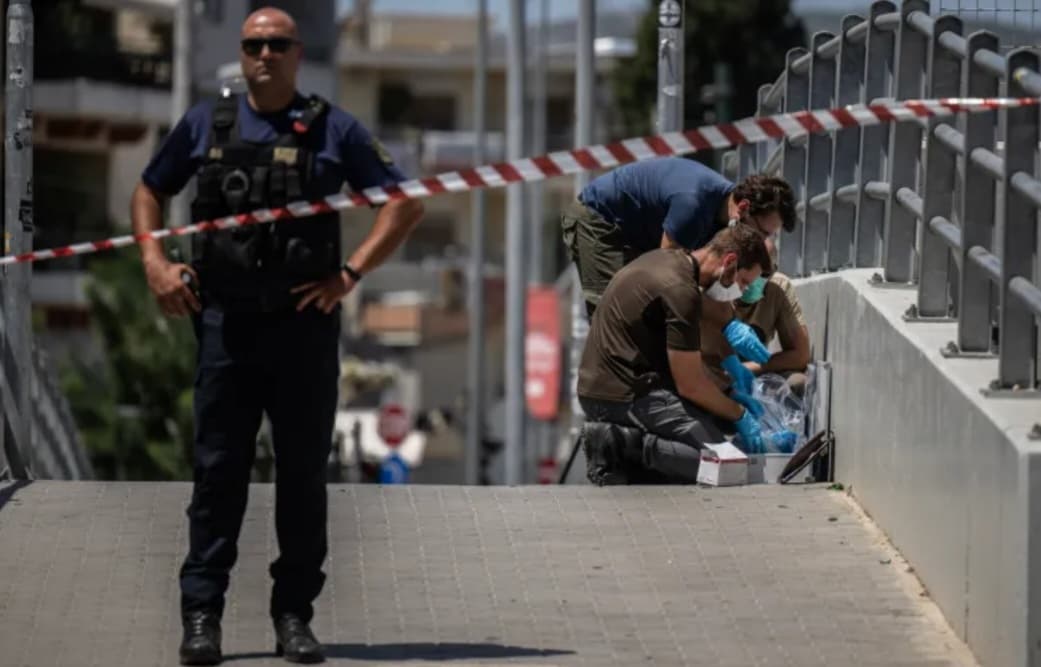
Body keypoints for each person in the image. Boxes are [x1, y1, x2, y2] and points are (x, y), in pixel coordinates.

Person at [130, 8, 423, 665]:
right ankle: (201, 616)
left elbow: (405, 202)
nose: (264, 54)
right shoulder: (209, 122)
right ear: (242, 52)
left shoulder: (332, 128)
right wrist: (155, 264)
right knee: (217, 477)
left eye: (277, 44)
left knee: (301, 481)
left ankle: (294, 616)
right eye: (253, 44)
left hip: (302, 331)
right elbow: (148, 191)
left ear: (297, 55)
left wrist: (349, 274)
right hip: (225, 325)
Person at [576, 224, 783, 484]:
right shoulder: (681, 292)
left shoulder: (667, 260)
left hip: (614, 384)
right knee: (727, 465)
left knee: (714, 423)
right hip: (621, 395)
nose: (741, 292)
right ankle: (621, 444)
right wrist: (738, 413)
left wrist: (728, 396)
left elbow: (684, 364)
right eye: (743, 282)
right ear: (729, 261)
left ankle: (637, 461)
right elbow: (690, 384)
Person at [560, 156, 797, 364]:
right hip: (601, 221)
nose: (761, 241)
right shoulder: (693, 207)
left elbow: (704, 279)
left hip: (640, 232)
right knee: (617, 312)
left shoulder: (723, 217)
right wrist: (726, 325)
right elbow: (669, 278)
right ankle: (611, 392)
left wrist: (728, 323)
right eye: (762, 232)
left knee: (650, 315)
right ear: (743, 208)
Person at [702, 272, 812, 398]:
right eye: (751, 271)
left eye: (765, 272)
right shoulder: (713, 284)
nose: (755, 279)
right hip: (713, 373)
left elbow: (800, 356)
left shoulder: (778, 287)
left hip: (755, 371)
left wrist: (747, 368)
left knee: (797, 382)